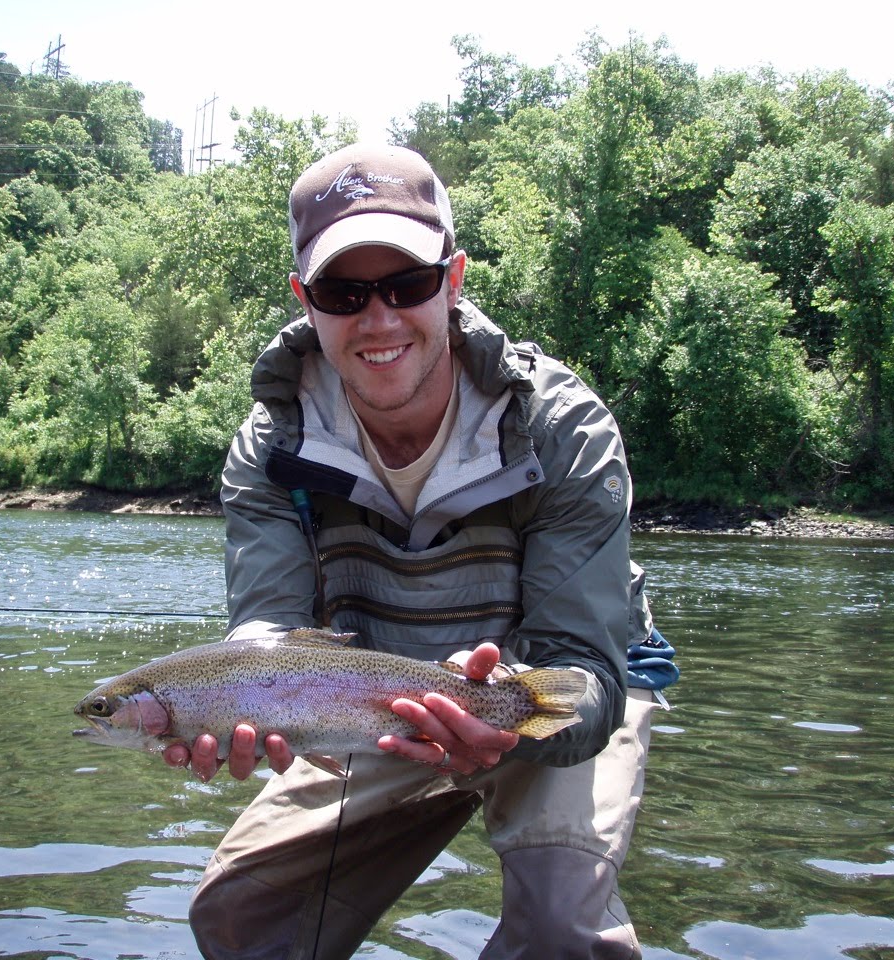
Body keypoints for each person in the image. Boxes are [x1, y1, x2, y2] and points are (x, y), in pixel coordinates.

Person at [162, 142, 677, 959]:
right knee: (241, 917)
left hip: (555, 685)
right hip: (374, 693)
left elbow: (585, 667)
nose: (379, 318)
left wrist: (512, 714)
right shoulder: (271, 445)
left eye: (408, 284)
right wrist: (234, 703)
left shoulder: (559, 426)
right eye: (343, 291)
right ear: (305, 299)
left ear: (455, 278)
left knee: (560, 933)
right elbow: (267, 628)